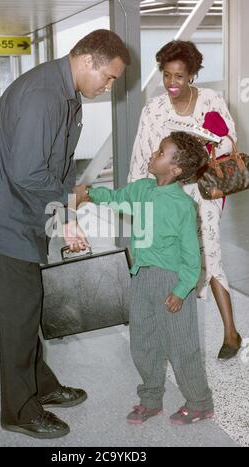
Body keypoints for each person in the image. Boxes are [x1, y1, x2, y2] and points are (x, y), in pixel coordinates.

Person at [0, 29, 130, 439]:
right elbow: (28, 171)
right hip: (0, 212)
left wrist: (61, 209)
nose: (109, 86)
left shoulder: (68, 95)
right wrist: (65, 213)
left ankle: (42, 387)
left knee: (27, 303)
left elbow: (59, 163)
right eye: (108, 77)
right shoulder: (44, 96)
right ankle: (18, 410)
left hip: (21, 206)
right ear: (87, 60)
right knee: (20, 311)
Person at [84, 132, 214, 425]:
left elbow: (192, 258)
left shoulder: (182, 206)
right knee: (143, 342)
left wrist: (181, 290)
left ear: (175, 169)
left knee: (182, 345)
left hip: (172, 282)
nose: (153, 154)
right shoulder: (142, 189)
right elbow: (116, 198)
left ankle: (199, 402)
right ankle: (151, 398)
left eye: (160, 152)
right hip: (141, 278)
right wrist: (89, 194)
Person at [128, 40, 242, 360]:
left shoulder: (210, 100)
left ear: (192, 74)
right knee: (172, 261)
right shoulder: (154, 110)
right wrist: (138, 198)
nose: (172, 84)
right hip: (167, 195)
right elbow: (142, 155)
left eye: (179, 76)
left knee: (212, 258)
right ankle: (172, 335)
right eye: (166, 75)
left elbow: (228, 141)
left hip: (203, 192)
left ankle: (231, 333)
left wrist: (214, 139)